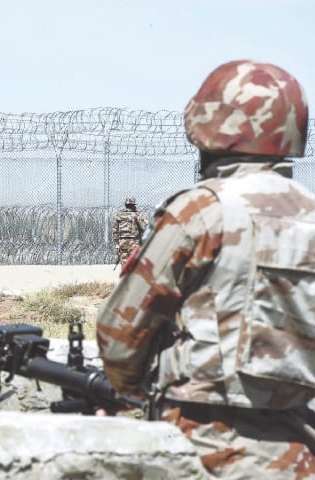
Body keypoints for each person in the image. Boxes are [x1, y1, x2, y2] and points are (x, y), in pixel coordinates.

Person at [96, 60, 315, 478]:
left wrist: (136, 396)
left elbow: (119, 337)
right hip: (299, 450)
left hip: (204, 447)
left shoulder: (206, 209)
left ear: (209, 125)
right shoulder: (310, 213)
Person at [111, 197, 148, 269]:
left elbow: (114, 230)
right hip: (134, 242)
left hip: (122, 242)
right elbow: (144, 228)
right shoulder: (137, 216)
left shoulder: (119, 216)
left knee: (124, 262)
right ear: (133, 205)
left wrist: (117, 243)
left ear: (125, 205)